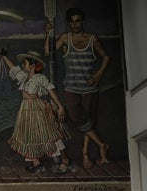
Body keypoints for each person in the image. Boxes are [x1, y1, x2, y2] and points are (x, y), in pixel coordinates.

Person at [45, 8, 110, 169]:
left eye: (78, 20)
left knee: (88, 121)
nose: (75, 24)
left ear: (82, 21)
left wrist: (99, 73)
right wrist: (48, 34)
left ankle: (85, 154)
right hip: (71, 87)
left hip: (90, 88)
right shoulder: (65, 38)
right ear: (69, 22)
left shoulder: (92, 39)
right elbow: (48, 53)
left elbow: (106, 56)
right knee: (77, 118)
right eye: (72, 21)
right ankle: (101, 144)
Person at [0, 49, 71, 174]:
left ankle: (64, 160)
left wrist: (60, 107)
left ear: (32, 66)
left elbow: (52, 92)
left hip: (37, 109)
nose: (22, 65)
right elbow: (13, 68)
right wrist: (4, 56)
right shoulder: (24, 77)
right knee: (29, 135)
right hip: (25, 110)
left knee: (48, 135)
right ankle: (36, 162)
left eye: (25, 64)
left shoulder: (40, 78)